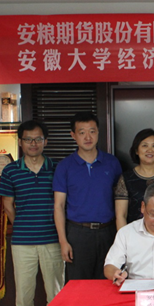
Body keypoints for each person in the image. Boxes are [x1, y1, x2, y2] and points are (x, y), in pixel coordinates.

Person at [0, 120, 64, 306]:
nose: (33, 143)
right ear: (20, 142)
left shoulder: (57, 168)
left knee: (56, 296)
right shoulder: (10, 171)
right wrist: (24, 225)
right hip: (22, 242)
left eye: (38, 139)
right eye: (28, 139)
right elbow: (8, 205)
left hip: (53, 241)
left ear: (46, 141)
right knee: (24, 298)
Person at [53, 112, 122, 281]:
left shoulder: (112, 163)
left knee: (108, 283)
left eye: (92, 131)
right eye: (82, 132)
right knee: (78, 285)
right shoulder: (64, 166)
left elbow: (120, 200)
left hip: (108, 232)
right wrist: (63, 241)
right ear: (73, 135)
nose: (88, 137)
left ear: (98, 132)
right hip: (78, 233)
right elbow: (59, 206)